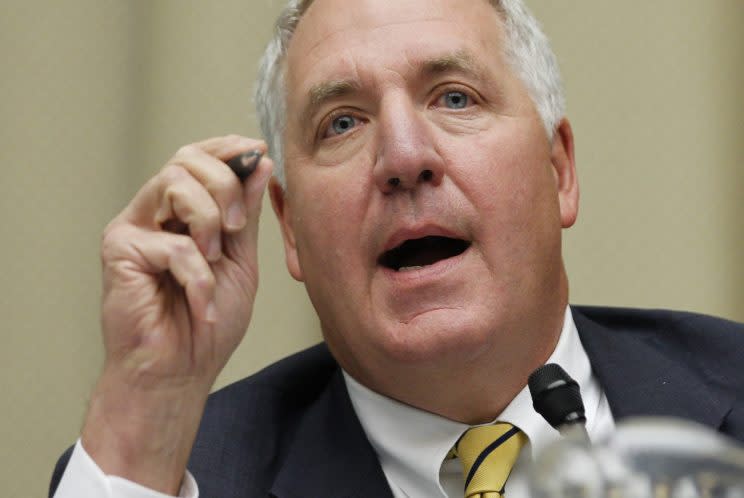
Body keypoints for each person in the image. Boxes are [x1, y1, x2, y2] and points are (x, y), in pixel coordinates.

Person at [49, 0, 744, 497]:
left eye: (455, 98)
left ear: (557, 171)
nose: (405, 156)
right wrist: (149, 403)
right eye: (342, 122)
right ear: (288, 229)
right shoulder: (174, 473)